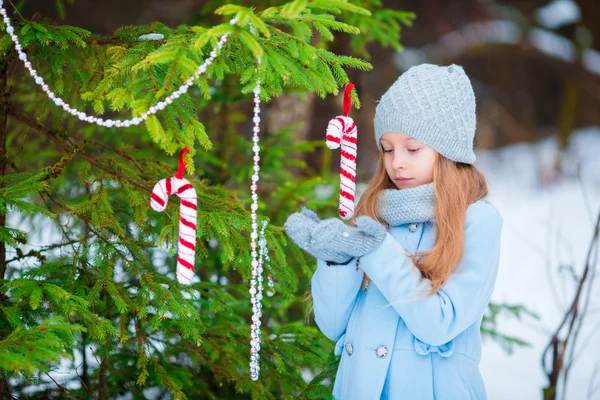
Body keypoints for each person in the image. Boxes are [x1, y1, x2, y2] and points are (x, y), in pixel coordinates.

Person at [284, 63, 504, 400]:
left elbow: (439, 324)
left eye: (412, 148)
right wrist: (336, 262)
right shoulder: (374, 213)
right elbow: (333, 326)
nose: (396, 161)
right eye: (387, 148)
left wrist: (377, 250)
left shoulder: (476, 221)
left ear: (448, 150)